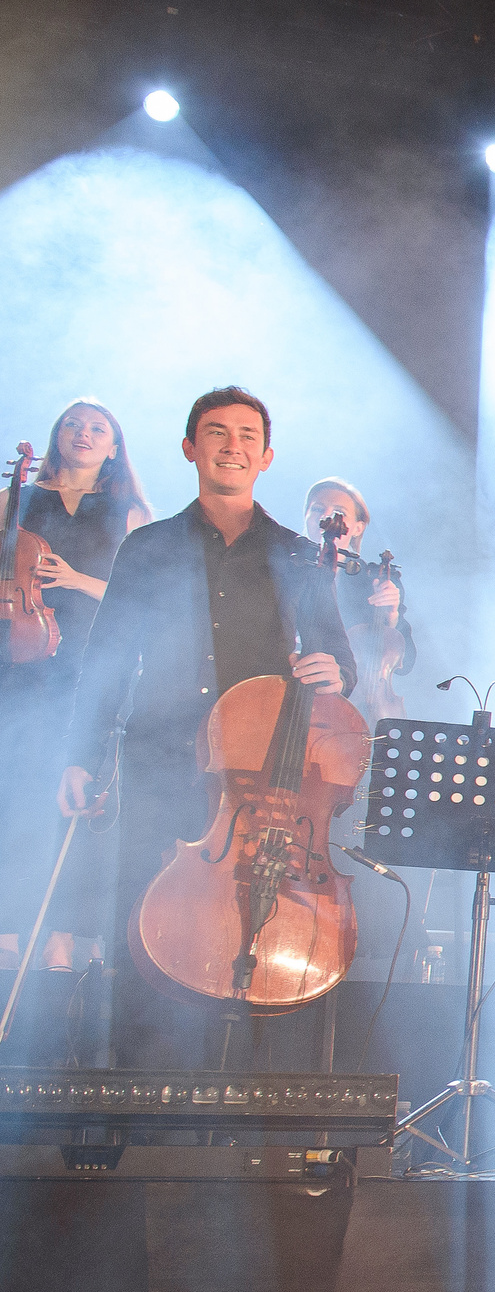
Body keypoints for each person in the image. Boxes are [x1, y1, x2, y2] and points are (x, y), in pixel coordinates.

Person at [59, 387, 356, 1070]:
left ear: (266, 456)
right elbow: (106, 660)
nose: (232, 445)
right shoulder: (148, 546)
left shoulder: (297, 555)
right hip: (161, 759)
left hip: (259, 784)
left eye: (247, 435)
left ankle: (236, 1110)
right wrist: (80, 757)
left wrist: (336, 673)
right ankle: (138, 1100)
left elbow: (338, 658)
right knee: (145, 927)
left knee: (246, 937)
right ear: (191, 448)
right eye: (216, 433)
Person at [1, 398, 150, 985]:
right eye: (71, 424)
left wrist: (72, 579)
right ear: (55, 436)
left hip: (90, 661)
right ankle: (8, 928)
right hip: (19, 662)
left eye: (97, 428)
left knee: (73, 795)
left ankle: (63, 936)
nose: (82, 434)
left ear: (114, 446)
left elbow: (138, 595)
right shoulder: (18, 500)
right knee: (16, 793)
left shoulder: (128, 512)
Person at [304, 477, 414, 726]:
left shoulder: (372, 578)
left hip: (358, 705)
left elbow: (407, 664)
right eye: (319, 510)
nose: (328, 519)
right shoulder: (287, 569)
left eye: (340, 513)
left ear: (357, 527)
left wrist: (392, 618)